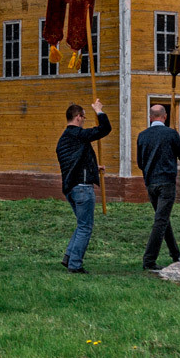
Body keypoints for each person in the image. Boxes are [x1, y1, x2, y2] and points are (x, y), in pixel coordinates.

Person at [56, 99, 112, 274]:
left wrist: (94, 168)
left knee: (81, 224)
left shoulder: (64, 140)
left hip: (70, 188)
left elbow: (75, 162)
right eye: (85, 118)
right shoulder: (78, 135)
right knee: (85, 227)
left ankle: (68, 257)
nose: (85, 121)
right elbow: (105, 129)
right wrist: (99, 111)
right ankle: (75, 265)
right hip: (82, 188)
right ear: (78, 117)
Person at [135, 102, 180, 273]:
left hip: (150, 182)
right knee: (160, 221)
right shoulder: (171, 134)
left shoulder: (142, 135)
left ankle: (176, 255)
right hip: (166, 182)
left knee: (163, 219)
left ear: (150, 117)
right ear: (164, 117)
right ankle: (149, 260)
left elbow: (139, 163)